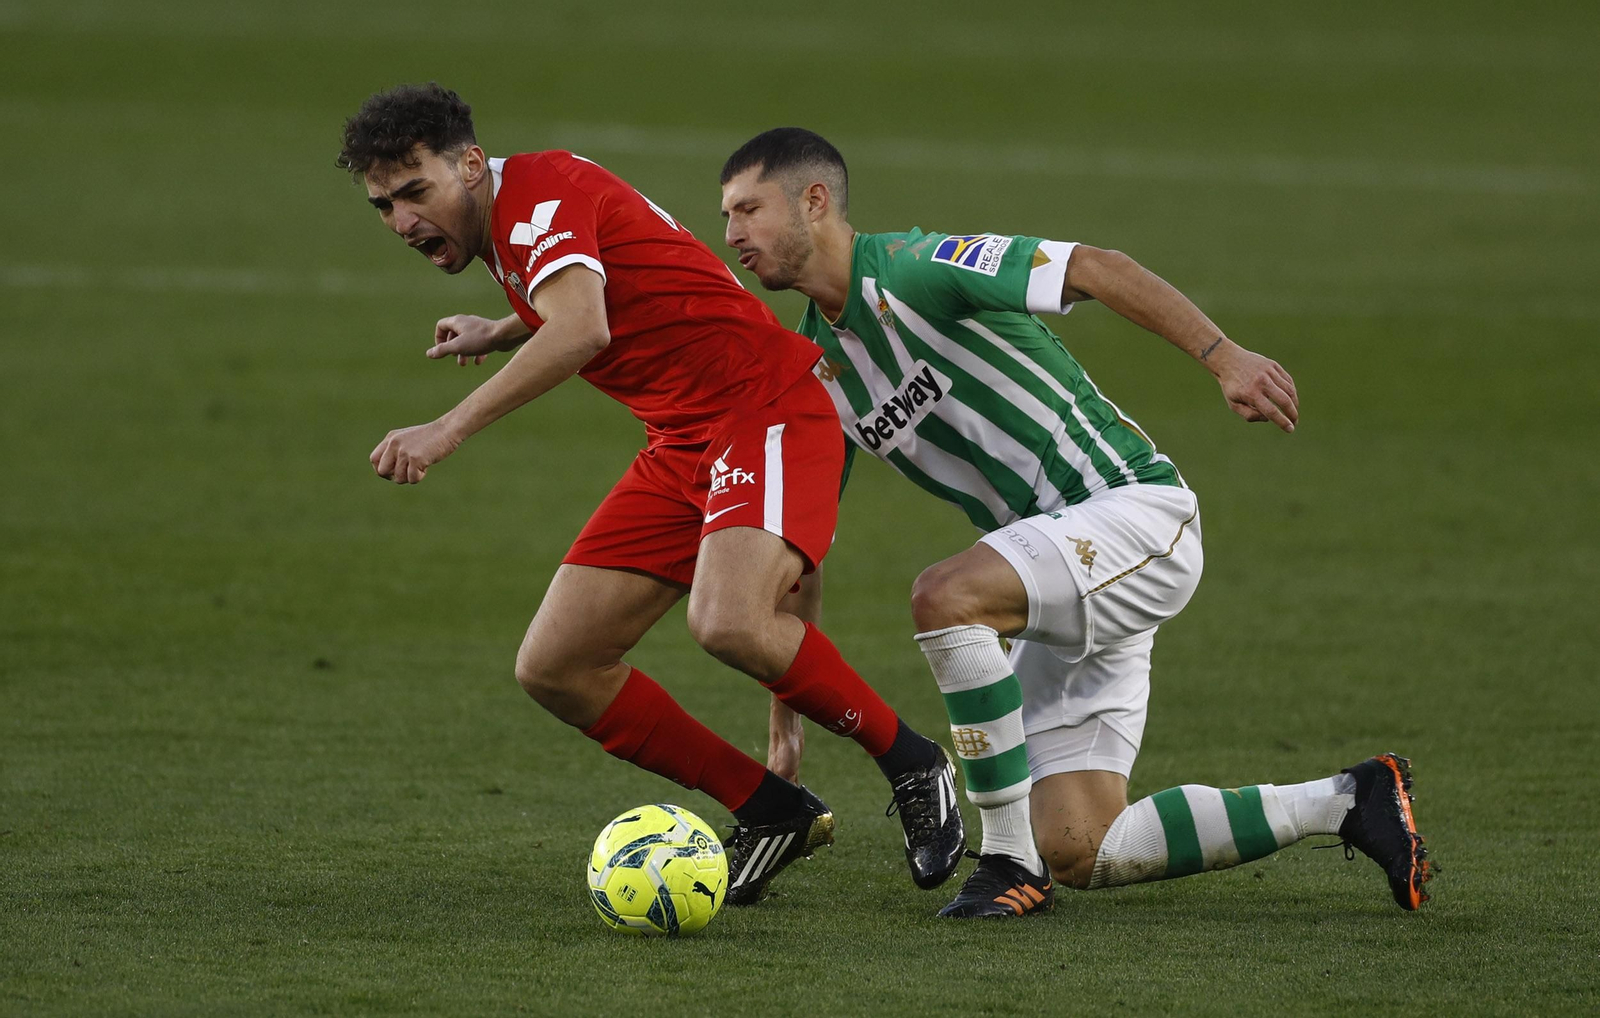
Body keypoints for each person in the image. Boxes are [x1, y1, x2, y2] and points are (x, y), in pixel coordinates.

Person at [719, 128, 1432, 917]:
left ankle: (1004, 863)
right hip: (1054, 572)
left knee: (946, 597)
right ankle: (1347, 799)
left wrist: (1224, 356)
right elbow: (801, 554)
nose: (732, 234)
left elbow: (1096, 267)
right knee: (1084, 845)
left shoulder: (917, 267)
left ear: (815, 201)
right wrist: (786, 726)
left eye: (749, 209)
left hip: (1131, 511)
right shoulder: (816, 370)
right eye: (726, 217)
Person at [335, 85, 966, 905]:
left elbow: (583, 327)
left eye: (415, 192)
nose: (401, 220)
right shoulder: (513, 213)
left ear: (471, 165)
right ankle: (771, 810)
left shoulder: (540, 195)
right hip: (681, 442)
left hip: (763, 406)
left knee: (729, 621)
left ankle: (914, 762)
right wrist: (503, 326)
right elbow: (610, 277)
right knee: (557, 666)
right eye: (383, 204)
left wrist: (445, 430)